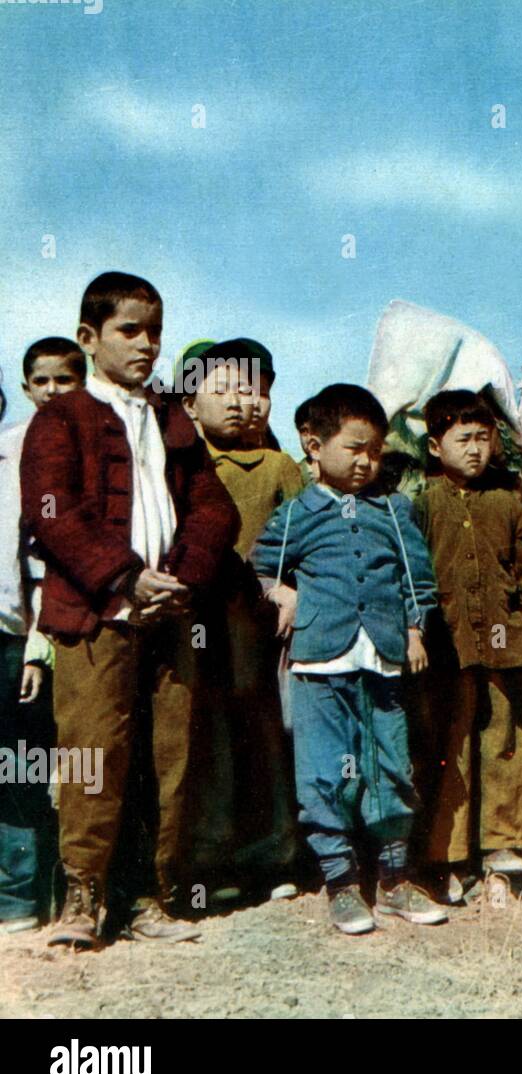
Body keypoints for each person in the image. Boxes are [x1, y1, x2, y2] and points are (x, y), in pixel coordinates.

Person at [21, 272, 239, 946]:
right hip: (94, 616)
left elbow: (213, 507)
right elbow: (52, 513)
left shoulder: (173, 416)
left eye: (154, 331)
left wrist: (177, 579)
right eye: (129, 331)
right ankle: (83, 900)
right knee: (94, 753)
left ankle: (150, 896)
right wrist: (125, 577)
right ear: (90, 339)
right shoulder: (62, 418)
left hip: (167, 614)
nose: (146, 344)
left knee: (166, 756)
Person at [250, 383, 445, 934]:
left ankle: (394, 882)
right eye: (354, 448)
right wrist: (280, 593)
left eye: (375, 450)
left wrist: (413, 629)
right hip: (319, 662)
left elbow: (418, 580)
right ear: (313, 446)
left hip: (382, 659)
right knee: (323, 772)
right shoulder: (295, 516)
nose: (366, 461)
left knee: (391, 765)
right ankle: (339, 883)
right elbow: (259, 566)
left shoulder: (394, 509)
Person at [416, 390, 522, 896]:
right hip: (446, 650)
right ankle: (449, 857)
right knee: (453, 751)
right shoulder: (423, 503)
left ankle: (504, 851)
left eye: (483, 438)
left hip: (505, 649)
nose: (475, 449)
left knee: (505, 746)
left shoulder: (508, 502)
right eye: (462, 439)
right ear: (435, 446)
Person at [181, 338, 304, 902]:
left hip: (260, 621)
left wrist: (292, 590)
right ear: (191, 401)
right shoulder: (180, 464)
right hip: (196, 617)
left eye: (249, 390)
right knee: (206, 738)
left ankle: (275, 856)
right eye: (223, 389)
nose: (238, 402)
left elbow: (308, 539)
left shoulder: (279, 467)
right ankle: (208, 861)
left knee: (265, 734)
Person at [0, 338, 86, 933]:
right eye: (43, 380)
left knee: (24, 766)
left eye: (65, 379)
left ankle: (22, 896)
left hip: (15, 637)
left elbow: (39, 561)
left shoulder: (21, 457)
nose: (52, 391)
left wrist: (36, 642)